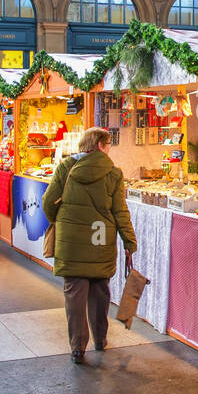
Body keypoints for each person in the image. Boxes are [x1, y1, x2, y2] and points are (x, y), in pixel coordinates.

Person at [42, 127, 137, 364]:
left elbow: (48, 201)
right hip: (101, 239)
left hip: (71, 241)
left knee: (74, 296)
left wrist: (60, 219)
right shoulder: (114, 174)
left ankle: (77, 347)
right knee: (100, 292)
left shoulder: (66, 167)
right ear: (100, 145)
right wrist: (129, 240)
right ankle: (100, 339)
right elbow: (119, 211)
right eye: (109, 146)